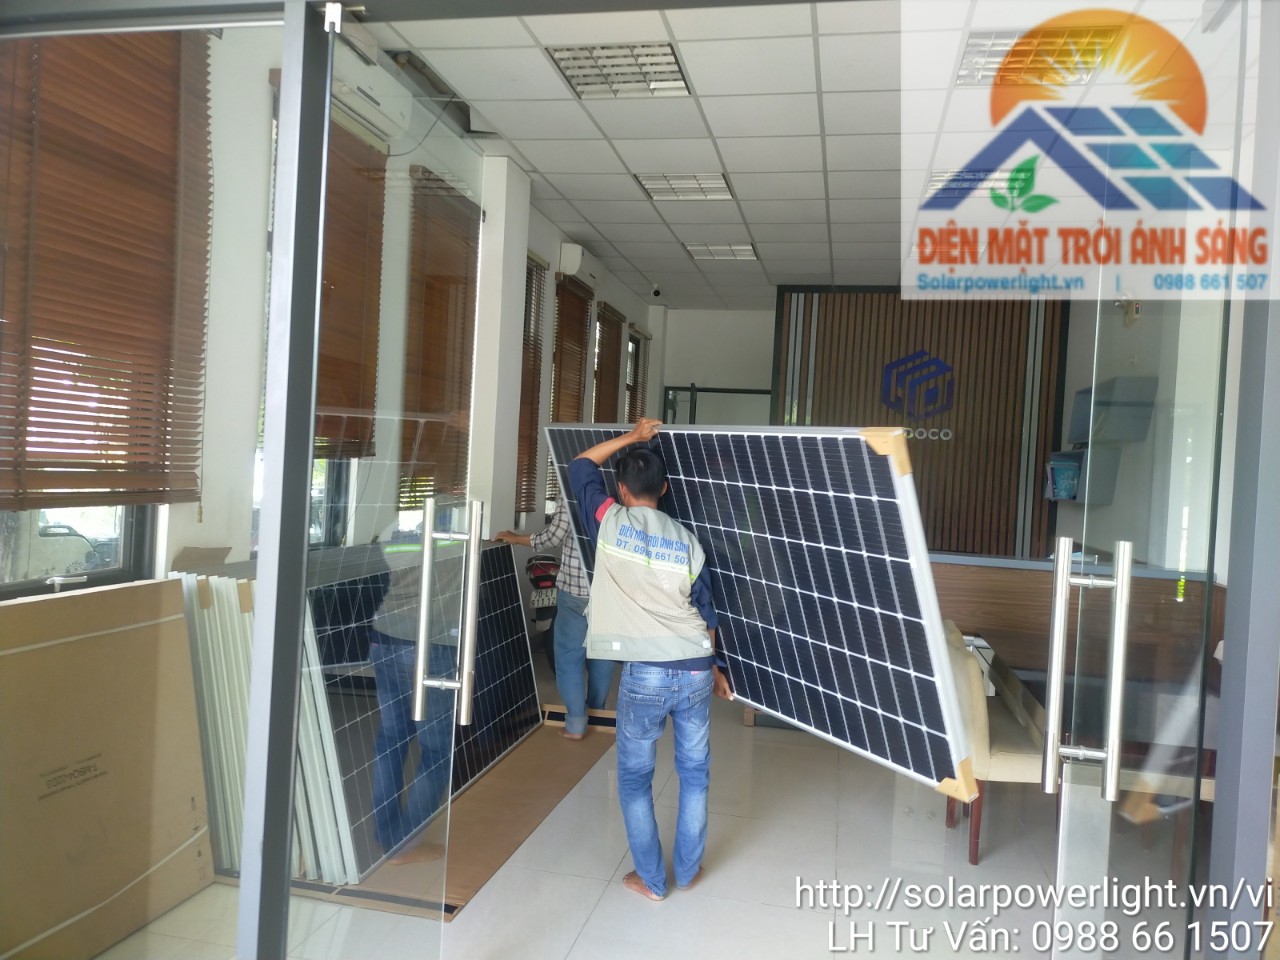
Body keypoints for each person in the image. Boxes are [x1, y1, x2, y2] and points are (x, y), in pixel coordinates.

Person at [568, 418, 732, 901]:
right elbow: (707, 612)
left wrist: (634, 438)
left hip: (645, 673)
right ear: (664, 488)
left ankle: (653, 881)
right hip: (696, 665)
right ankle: (688, 869)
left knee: (636, 780)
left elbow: (581, 465)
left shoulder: (609, 521)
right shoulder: (688, 541)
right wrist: (716, 668)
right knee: (695, 774)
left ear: (621, 490)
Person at [366, 522, 462, 864]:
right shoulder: (456, 540)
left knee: (391, 738)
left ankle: (387, 836)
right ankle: (405, 844)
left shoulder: (394, 535)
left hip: (383, 638)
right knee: (437, 750)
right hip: (428, 645)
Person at [494, 499, 615, 740]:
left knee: (568, 659)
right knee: (603, 655)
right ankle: (597, 713)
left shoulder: (572, 492)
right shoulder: (621, 487)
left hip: (575, 593)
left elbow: (553, 537)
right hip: (610, 593)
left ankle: (576, 724)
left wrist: (516, 538)